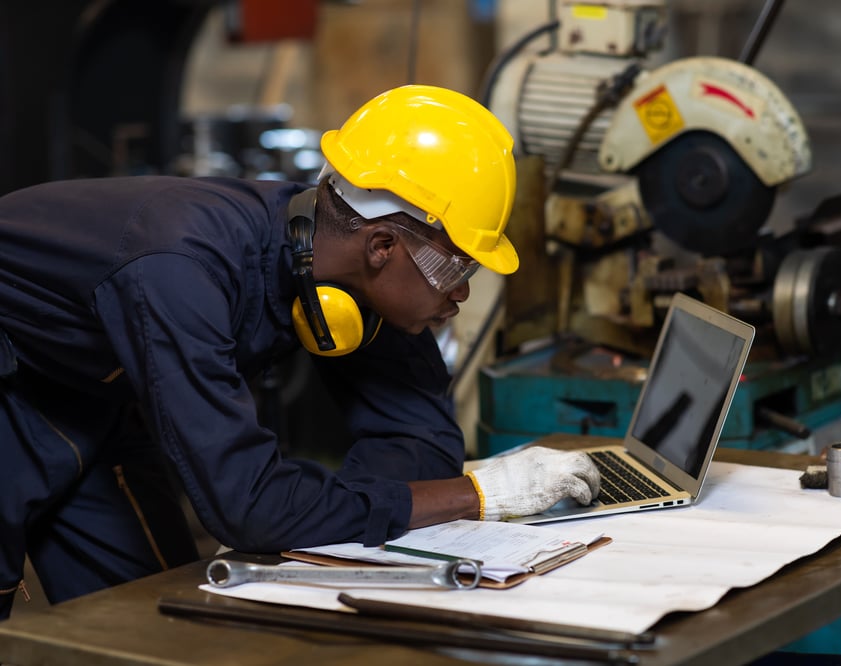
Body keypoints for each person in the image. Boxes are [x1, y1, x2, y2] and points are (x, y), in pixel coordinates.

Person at [0, 84, 600, 619]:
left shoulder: (349, 267)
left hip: (94, 391)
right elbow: (248, 508)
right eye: (457, 264)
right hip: (14, 386)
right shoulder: (179, 269)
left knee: (150, 623)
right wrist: (481, 496)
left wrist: (350, 526)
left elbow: (418, 445)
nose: (462, 291)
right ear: (383, 244)